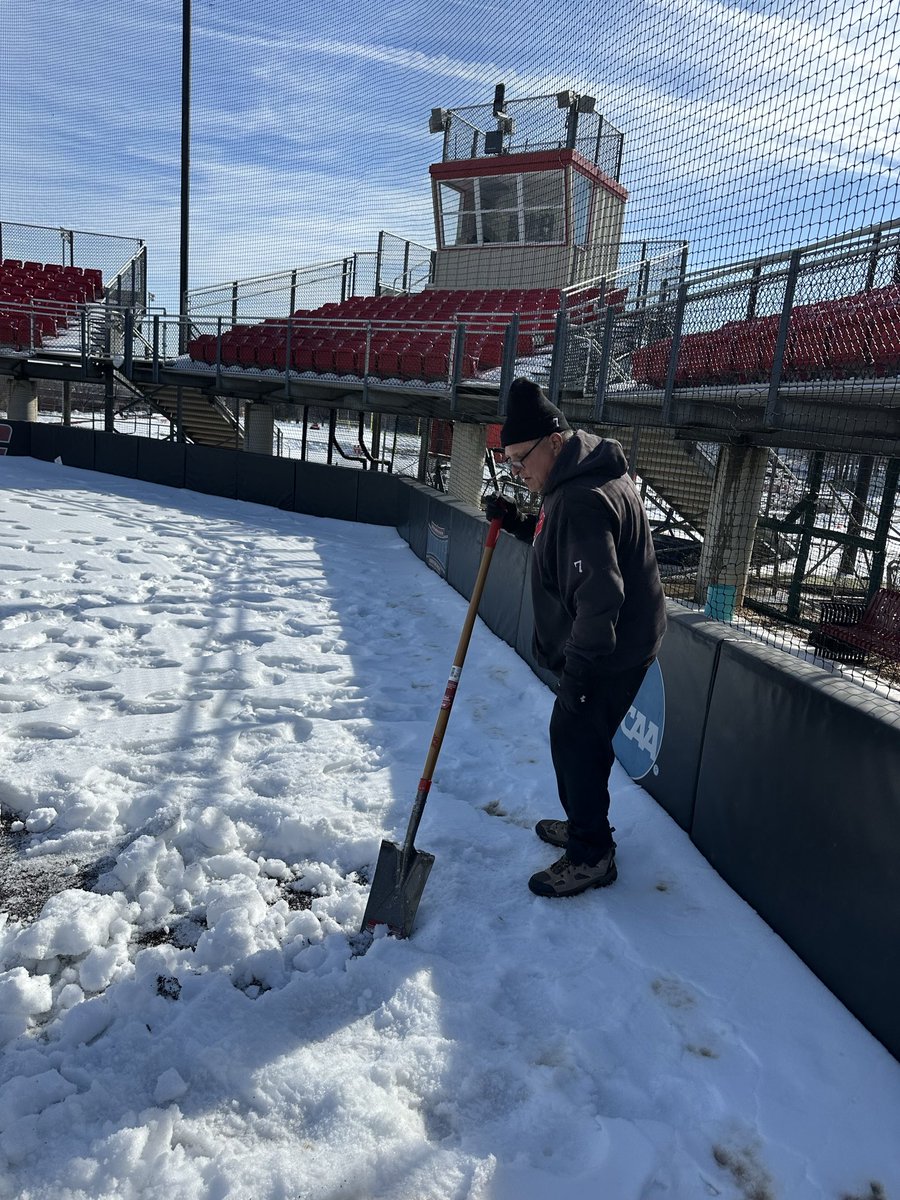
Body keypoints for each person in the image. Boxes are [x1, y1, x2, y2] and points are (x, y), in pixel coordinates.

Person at [486, 377, 667, 899]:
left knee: (574, 740)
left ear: (556, 442)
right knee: (582, 743)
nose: (518, 472)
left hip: (609, 650)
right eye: (510, 463)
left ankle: (592, 854)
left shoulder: (580, 499)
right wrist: (522, 522)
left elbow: (600, 597)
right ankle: (588, 823)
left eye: (522, 459)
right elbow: (561, 542)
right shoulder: (574, 476)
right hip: (625, 641)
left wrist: (582, 674)